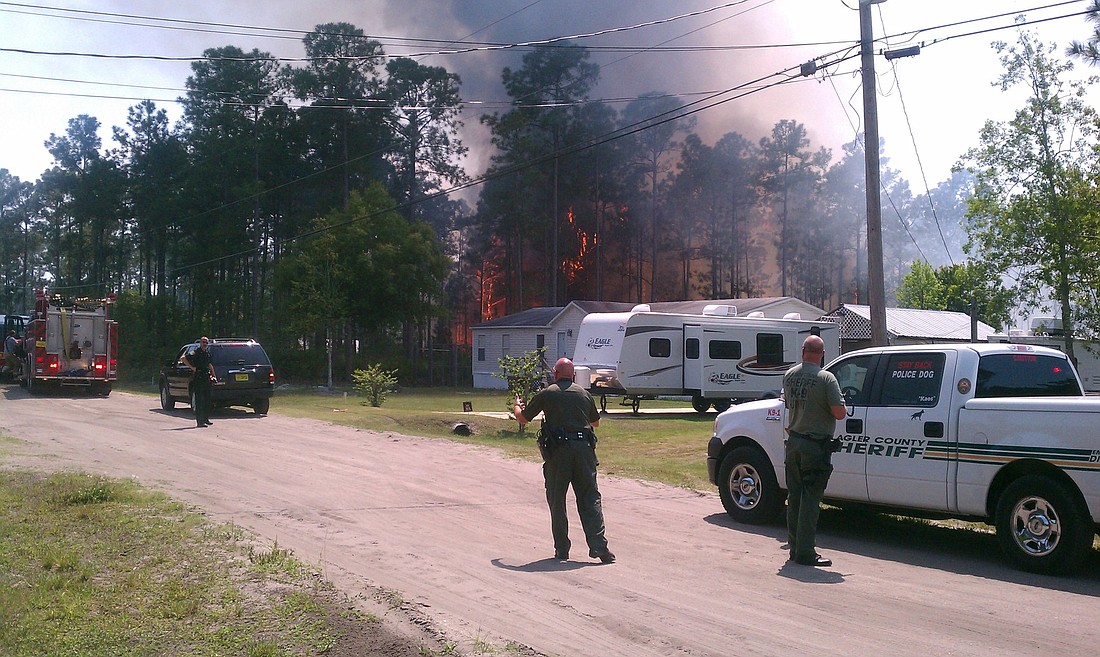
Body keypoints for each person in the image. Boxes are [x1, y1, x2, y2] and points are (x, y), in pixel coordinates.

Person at [514, 357, 615, 564]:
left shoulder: (548, 393)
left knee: (557, 499)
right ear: (574, 376)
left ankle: (562, 549)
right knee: (590, 498)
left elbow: (523, 418)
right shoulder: (584, 394)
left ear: (556, 374)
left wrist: (517, 406)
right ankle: (599, 547)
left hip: (559, 453)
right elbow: (595, 423)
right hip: (584, 451)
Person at [782, 335, 846, 567]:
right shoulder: (826, 378)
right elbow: (839, 413)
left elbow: (789, 404)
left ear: (803, 352)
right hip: (815, 446)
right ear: (823, 354)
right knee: (810, 499)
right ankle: (806, 552)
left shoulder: (789, 375)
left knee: (795, 497)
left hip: (794, 442)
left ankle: (794, 548)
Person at [182, 336, 217, 428]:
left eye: (206, 342)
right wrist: (192, 367)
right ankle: (200, 421)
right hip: (198, 378)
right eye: (203, 342)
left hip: (206, 377)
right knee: (199, 400)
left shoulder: (207, 353)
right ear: (200, 343)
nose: (205, 344)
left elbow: (209, 365)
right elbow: (183, 358)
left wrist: (213, 375)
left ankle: (205, 419)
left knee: (207, 399)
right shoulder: (195, 352)